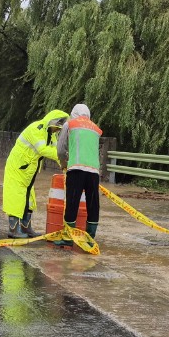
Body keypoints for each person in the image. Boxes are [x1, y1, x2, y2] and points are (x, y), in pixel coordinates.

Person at [3, 109, 67, 238]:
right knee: (16, 197)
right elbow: (43, 150)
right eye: (57, 127)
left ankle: (26, 228)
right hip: (17, 168)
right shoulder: (35, 129)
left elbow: (56, 152)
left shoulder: (51, 134)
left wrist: (65, 166)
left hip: (28, 171)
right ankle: (13, 230)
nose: (57, 131)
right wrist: (65, 157)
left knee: (29, 199)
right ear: (51, 123)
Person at [54, 103, 102, 247]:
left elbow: (61, 149)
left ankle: (68, 238)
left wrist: (63, 164)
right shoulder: (96, 129)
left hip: (76, 169)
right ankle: (90, 239)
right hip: (94, 172)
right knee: (93, 204)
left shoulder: (70, 124)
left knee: (72, 203)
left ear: (74, 113)